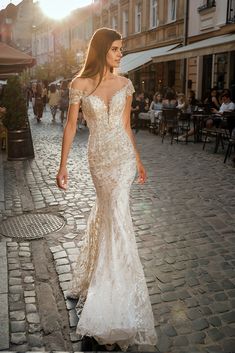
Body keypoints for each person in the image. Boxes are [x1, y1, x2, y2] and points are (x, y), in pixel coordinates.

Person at [56, 27, 157, 351]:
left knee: (117, 218)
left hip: (123, 160)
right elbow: (72, 125)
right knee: (109, 214)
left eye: (121, 49)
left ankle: (114, 298)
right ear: (101, 50)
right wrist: (62, 165)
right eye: (115, 49)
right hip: (99, 160)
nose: (120, 54)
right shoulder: (78, 84)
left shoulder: (125, 84)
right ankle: (101, 286)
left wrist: (138, 162)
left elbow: (127, 127)